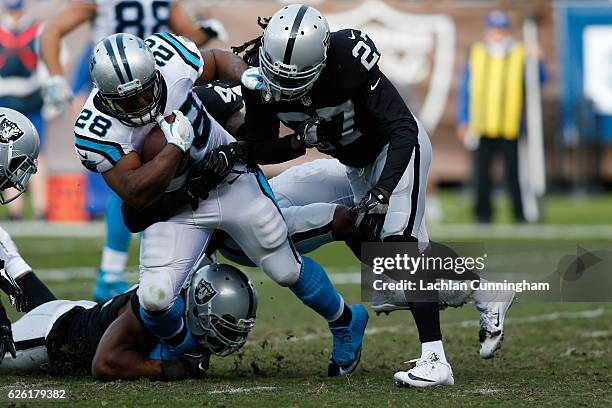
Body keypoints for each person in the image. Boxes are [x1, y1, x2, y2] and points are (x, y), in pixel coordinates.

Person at [74, 32, 368, 377]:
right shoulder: (97, 130)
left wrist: (244, 74)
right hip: (177, 208)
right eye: (128, 101)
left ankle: (347, 320)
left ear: (155, 72)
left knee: (284, 267)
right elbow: (136, 194)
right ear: (107, 100)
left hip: (232, 180)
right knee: (154, 297)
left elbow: (214, 62)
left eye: (145, 89)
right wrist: (175, 149)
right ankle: (184, 351)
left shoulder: (171, 62)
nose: (141, 102)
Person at [39, 0, 227, 301]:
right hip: (134, 92)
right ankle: (127, 269)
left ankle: (143, 267)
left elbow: (52, 31)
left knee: (156, 178)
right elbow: (189, 35)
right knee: (139, 182)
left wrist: (55, 76)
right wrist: (206, 30)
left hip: (130, 89)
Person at [0, 230, 255, 380]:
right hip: (52, 337)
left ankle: (8, 255)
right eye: (224, 324)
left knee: (18, 272)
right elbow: (105, 363)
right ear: (200, 309)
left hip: (83, 317)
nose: (230, 334)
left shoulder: (182, 295)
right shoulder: (157, 309)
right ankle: (8, 255)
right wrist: (171, 369)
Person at [456, 10, 546, 223]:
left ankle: (519, 214)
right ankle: (483, 215)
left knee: (514, 175)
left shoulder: (520, 52)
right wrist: (464, 119)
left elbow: (538, 81)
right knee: (481, 175)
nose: (498, 34)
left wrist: (538, 61)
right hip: (482, 123)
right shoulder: (476, 51)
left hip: (510, 124)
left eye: (502, 29)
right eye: (494, 29)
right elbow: (465, 89)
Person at [0, 0, 47, 220]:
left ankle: (40, 208)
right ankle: (15, 210)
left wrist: (49, 91)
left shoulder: (38, 30)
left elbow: (54, 60)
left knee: (38, 154)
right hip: (4, 102)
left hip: (32, 101)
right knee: (4, 157)